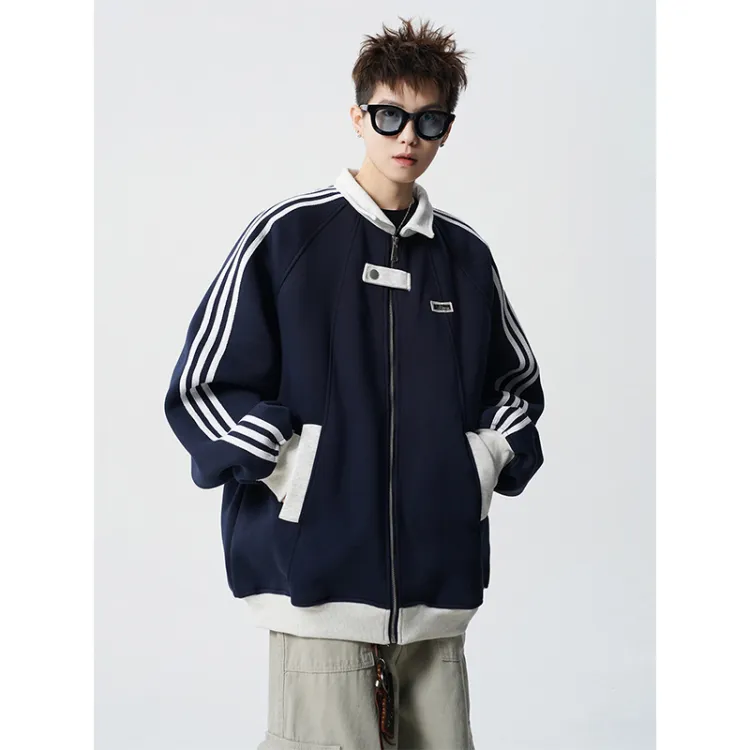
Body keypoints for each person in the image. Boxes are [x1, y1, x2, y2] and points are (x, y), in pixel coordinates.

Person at [163, 15, 545, 750]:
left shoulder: (466, 258)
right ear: (358, 116)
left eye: (429, 120)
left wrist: (482, 461)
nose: (408, 136)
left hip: (438, 589)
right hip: (316, 581)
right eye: (390, 115)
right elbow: (204, 385)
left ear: (446, 130)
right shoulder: (287, 237)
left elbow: (517, 387)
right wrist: (291, 464)